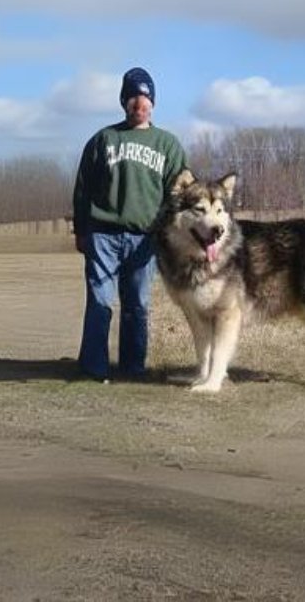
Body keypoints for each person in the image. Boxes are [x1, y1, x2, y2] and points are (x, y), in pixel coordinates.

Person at [71, 67, 188, 382]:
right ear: (124, 101)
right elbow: (83, 189)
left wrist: (170, 235)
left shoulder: (168, 145)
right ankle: (93, 367)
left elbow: (180, 194)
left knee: (137, 304)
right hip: (103, 234)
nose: (140, 104)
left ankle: (132, 369)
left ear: (154, 103)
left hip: (145, 238)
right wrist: (81, 230)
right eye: (134, 97)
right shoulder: (103, 140)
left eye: (146, 97)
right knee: (100, 300)